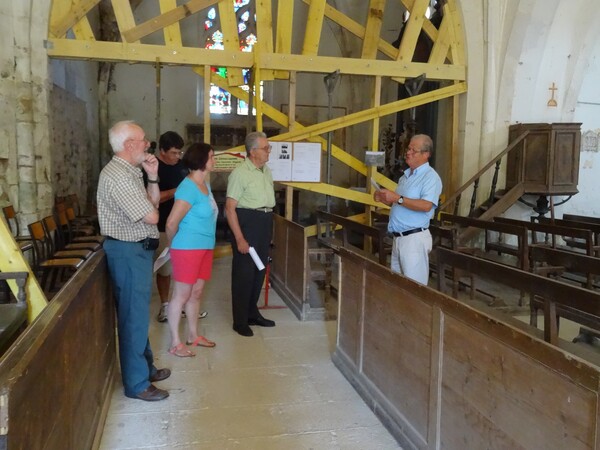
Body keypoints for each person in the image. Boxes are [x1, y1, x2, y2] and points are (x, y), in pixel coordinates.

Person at [97, 120, 170, 401]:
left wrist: (152, 176)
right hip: (128, 252)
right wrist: (151, 208)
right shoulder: (117, 175)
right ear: (129, 145)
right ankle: (137, 383)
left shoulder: (131, 172)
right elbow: (152, 216)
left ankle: (145, 367)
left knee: (138, 313)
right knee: (132, 317)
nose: (148, 144)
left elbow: (152, 205)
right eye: (143, 140)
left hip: (137, 251)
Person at [165, 143, 218, 357]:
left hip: (205, 246)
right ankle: (175, 342)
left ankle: (193, 335)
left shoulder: (205, 185)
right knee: (181, 294)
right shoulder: (187, 188)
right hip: (187, 248)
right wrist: (172, 246)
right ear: (201, 160)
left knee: (196, 293)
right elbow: (171, 223)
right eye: (212, 156)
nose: (214, 160)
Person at [225, 131, 276, 337]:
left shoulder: (266, 171)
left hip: (264, 221)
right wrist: (239, 238)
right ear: (253, 151)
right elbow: (230, 208)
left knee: (259, 271)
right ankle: (240, 320)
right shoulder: (239, 173)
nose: (268, 151)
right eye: (266, 148)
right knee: (244, 274)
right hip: (247, 222)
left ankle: (252, 312)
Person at [373, 134, 442, 285]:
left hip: (414, 240)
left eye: (413, 150)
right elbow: (402, 204)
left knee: (414, 288)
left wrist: (397, 198)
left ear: (426, 154)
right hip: (398, 239)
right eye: (408, 148)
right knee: (398, 287)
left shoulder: (430, 177)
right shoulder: (405, 177)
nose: (408, 152)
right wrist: (386, 199)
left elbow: (426, 205)